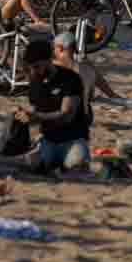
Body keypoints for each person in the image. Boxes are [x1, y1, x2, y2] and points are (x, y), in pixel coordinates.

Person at [19, 40, 91, 174]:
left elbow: (67, 115)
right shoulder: (35, 81)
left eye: (36, 66)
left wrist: (36, 117)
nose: (33, 71)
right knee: (30, 166)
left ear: (48, 60)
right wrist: (24, 117)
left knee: (77, 168)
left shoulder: (70, 79)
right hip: (47, 140)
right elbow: (36, 110)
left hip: (72, 140)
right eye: (30, 67)